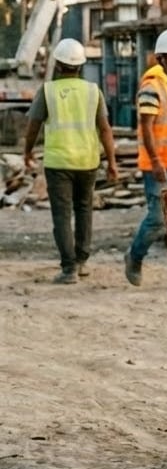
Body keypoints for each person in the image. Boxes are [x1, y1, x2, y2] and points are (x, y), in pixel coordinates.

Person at [22, 38, 119, 284]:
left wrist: (27, 152)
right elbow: (105, 129)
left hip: (58, 163)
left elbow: (33, 126)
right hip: (87, 162)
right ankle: (83, 261)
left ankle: (68, 269)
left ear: (58, 64)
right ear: (81, 65)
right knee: (84, 210)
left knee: (62, 215)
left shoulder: (47, 91)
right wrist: (112, 163)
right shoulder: (92, 91)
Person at [124, 28, 167, 286]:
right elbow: (145, 125)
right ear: (162, 58)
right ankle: (134, 256)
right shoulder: (152, 87)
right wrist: (155, 161)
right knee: (156, 219)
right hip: (160, 166)